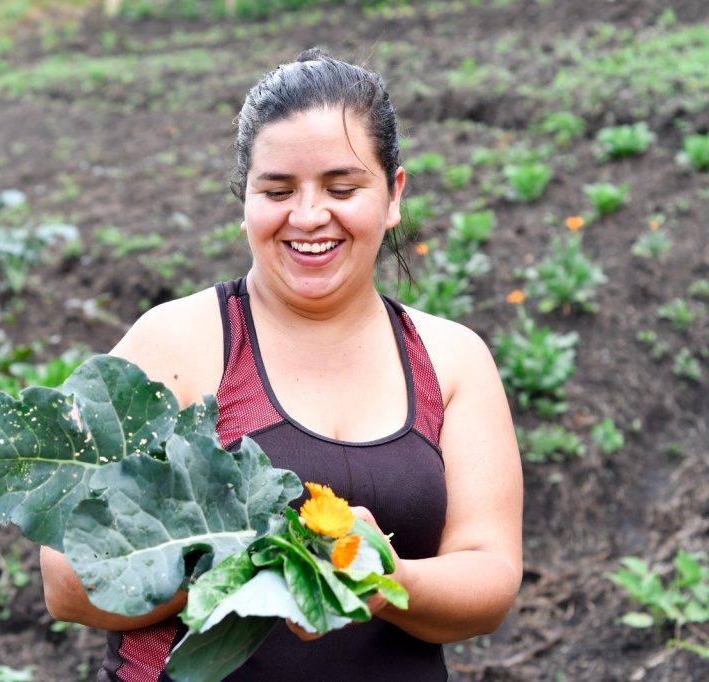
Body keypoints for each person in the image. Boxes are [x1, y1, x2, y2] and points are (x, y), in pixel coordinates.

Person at [40, 47, 523, 681]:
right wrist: (270, 556)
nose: (308, 216)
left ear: (394, 194)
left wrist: (382, 579)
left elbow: (488, 573)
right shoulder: (175, 346)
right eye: (277, 190)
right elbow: (69, 579)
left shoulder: (452, 360)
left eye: (341, 187)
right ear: (245, 201)